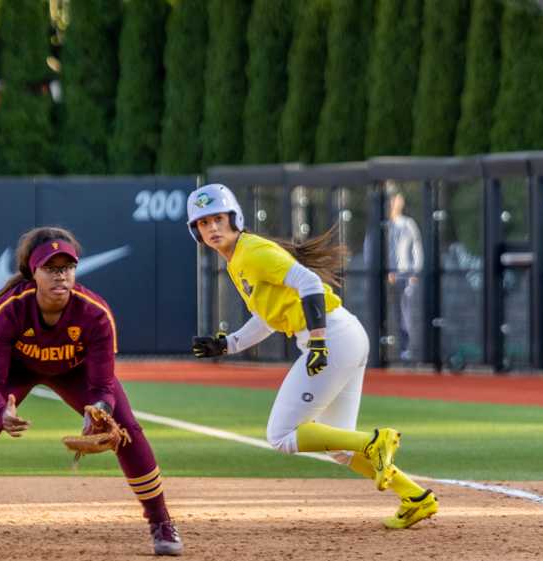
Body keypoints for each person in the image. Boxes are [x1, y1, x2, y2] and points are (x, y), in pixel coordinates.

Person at [187, 183, 438, 529]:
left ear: (235, 218)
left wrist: (318, 341)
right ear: (195, 231)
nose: (212, 228)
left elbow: (308, 283)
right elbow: (267, 316)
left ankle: (376, 441)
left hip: (332, 337)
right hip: (342, 335)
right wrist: (228, 344)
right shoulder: (238, 260)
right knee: (340, 450)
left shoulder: (252, 252)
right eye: (203, 223)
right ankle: (414, 497)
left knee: (281, 435)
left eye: (218, 218)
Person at [0, 227, 183, 555]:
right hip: (16, 370)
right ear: (33, 272)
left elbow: (103, 385)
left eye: (67, 267)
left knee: (127, 429)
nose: (60, 276)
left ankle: (161, 523)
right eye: (50, 268)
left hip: (74, 371)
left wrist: (101, 410)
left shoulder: (95, 314)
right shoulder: (10, 310)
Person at [385, 182, 423, 362]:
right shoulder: (380, 226)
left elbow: (416, 249)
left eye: (395, 199)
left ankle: (406, 350)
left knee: (404, 312)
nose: (392, 203)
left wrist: (415, 272)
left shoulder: (407, 224)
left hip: (404, 276)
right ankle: (383, 350)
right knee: (385, 312)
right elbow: (370, 249)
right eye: (389, 199)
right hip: (384, 276)